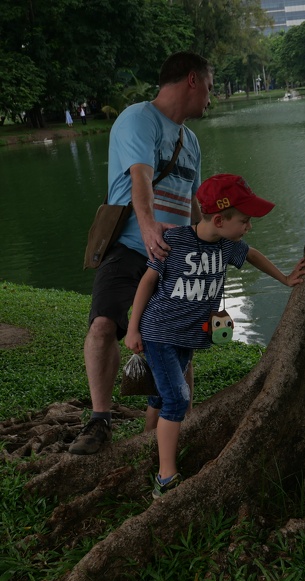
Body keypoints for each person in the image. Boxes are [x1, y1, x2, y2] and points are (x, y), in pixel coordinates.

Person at [124, 173, 305, 497]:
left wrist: (284, 278)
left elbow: (252, 255)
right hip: (159, 332)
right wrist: (132, 327)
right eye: (244, 221)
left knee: (161, 393)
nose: (248, 227)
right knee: (178, 398)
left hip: (188, 337)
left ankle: (148, 442)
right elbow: (147, 282)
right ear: (220, 219)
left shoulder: (227, 246)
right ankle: (165, 477)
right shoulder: (174, 240)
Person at [69, 51, 214, 456]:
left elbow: (192, 203)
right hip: (132, 249)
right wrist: (149, 229)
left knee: (178, 340)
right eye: (209, 85)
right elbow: (141, 177)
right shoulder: (138, 118)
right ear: (191, 79)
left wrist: (205, 248)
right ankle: (99, 421)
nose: (210, 96)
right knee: (102, 326)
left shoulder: (192, 141)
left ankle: (171, 426)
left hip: (174, 257)